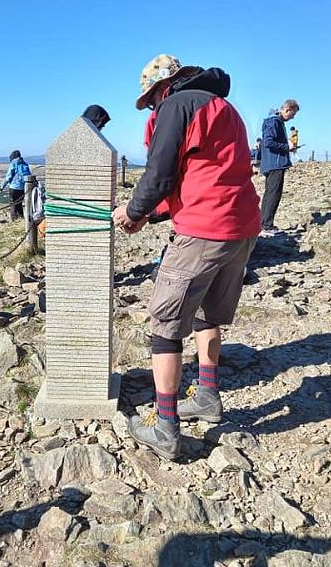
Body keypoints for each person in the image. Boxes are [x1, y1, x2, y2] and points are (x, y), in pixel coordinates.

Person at [112, 53, 261, 460]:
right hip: (241, 224)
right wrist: (154, 214)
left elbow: (160, 173)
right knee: (206, 315)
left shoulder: (177, 105)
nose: (152, 108)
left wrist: (133, 211)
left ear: (162, 87)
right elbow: (203, 174)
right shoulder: (222, 106)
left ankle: (164, 427)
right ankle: (208, 396)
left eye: (150, 101)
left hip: (202, 230)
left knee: (164, 328)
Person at [259, 99, 300, 236]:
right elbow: (269, 142)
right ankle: (267, 226)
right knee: (273, 194)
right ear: (287, 109)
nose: (293, 117)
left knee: (269, 194)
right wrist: (287, 147)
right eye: (292, 114)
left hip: (272, 163)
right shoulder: (274, 122)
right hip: (275, 164)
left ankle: (263, 223)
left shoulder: (275, 121)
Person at [1, 150, 31, 220]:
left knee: (13, 203)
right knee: (19, 203)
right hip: (23, 187)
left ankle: (14, 219)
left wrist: (2, 186)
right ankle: (21, 217)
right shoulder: (25, 163)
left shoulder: (13, 163)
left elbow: (8, 177)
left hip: (14, 187)